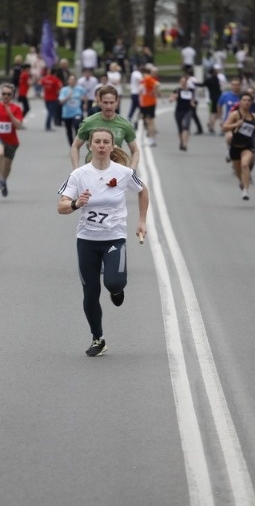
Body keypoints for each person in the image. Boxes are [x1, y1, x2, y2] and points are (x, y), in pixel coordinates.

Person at [57, 127, 149, 357]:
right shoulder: (79, 174)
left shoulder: (124, 173)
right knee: (90, 292)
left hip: (114, 238)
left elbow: (143, 190)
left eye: (105, 142)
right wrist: (77, 203)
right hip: (87, 240)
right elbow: (61, 206)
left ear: (112, 146)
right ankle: (98, 338)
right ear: (89, 145)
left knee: (114, 283)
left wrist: (141, 220)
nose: (100, 145)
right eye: (96, 141)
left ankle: (116, 290)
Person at [70, 85, 140, 170]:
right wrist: (76, 170)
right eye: (105, 102)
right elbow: (75, 146)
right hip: (93, 170)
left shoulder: (125, 124)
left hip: (115, 172)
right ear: (99, 102)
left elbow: (135, 150)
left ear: (117, 102)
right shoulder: (89, 122)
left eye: (111, 102)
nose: (109, 106)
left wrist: (132, 171)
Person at [222, 92, 255, 200]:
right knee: (238, 172)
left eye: (249, 100)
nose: (246, 102)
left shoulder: (254, 116)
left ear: (251, 103)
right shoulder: (235, 114)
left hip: (248, 146)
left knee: (245, 165)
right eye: (244, 100)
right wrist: (236, 124)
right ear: (240, 102)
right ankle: (241, 182)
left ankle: (245, 191)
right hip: (235, 146)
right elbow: (224, 127)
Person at [60, 73, 87, 146]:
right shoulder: (64, 90)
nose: (72, 81)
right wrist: (67, 97)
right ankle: (71, 146)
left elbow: (85, 96)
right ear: (68, 81)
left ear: (76, 81)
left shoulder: (80, 89)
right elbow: (61, 102)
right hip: (67, 113)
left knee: (77, 127)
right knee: (69, 130)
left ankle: (76, 145)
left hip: (77, 112)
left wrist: (85, 103)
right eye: (70, 80)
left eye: (73, 80)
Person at [170, 74, 196, 151]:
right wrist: (173, 97)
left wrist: (193, 103)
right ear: (180, 82)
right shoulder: (177, 90)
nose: (183, 83)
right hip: (178, 111)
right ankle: (181, 141)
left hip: (188, 111)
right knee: (180, 128)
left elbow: (192, 100)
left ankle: (185, 144)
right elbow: (171, 99)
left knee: (186, 127)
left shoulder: (190, 90)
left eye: (185, 81)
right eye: (182, 81)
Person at [139, 65, 161, 146]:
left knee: (149, 121)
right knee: (146, 121)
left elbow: (157, 84)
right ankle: (150, 138)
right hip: (144, 103)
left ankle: (152, 139)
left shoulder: (147, 78)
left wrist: (153, 92)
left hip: (149, 102)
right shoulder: (144, 80)